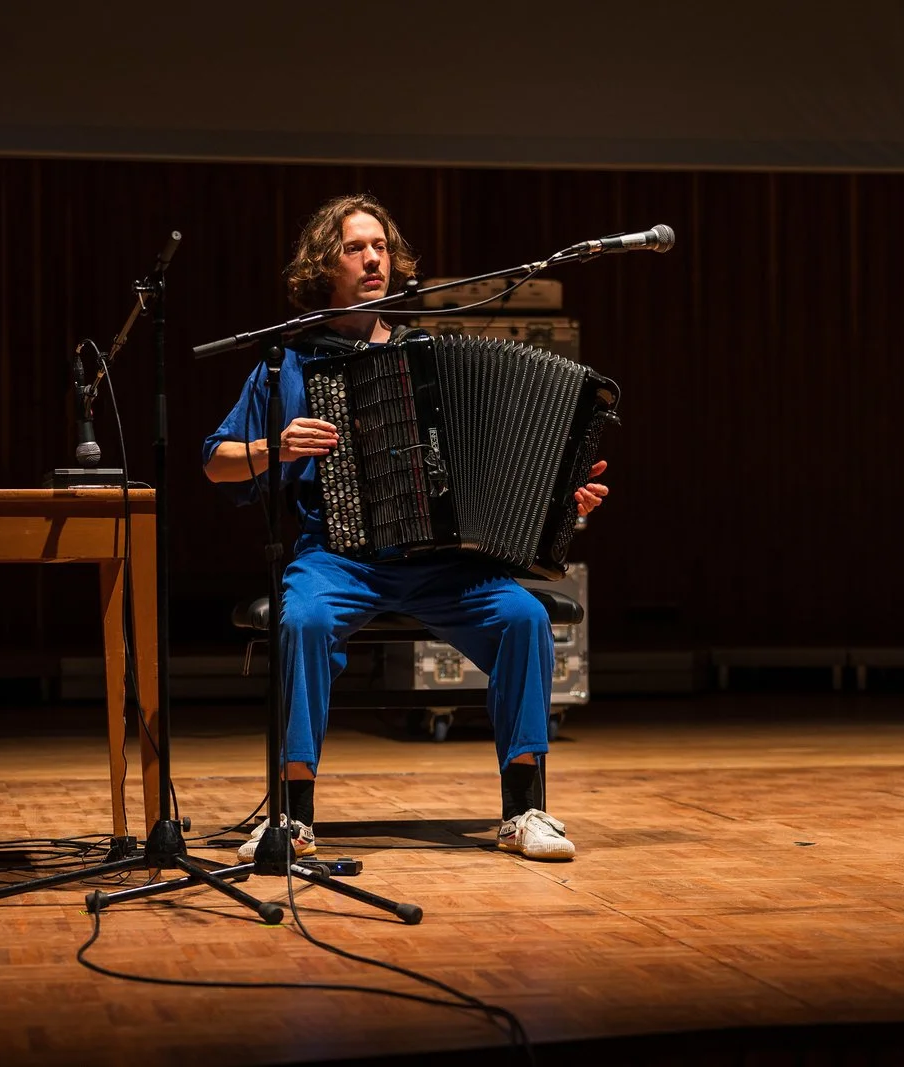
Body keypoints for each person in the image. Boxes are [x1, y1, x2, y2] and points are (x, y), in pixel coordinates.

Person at [201, 193, 610, 862]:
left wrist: (562, 508)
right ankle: (294, 816)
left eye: (381, 247)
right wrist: (274, 447)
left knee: (523, 618)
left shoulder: (429, 356)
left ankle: (525, 810)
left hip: (440, 564)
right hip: (338, 558)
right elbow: (216, 462)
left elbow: (497, 475)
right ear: (322, 268)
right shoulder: (293, 362)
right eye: (355, 247)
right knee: (301, 620)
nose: (373, 258)